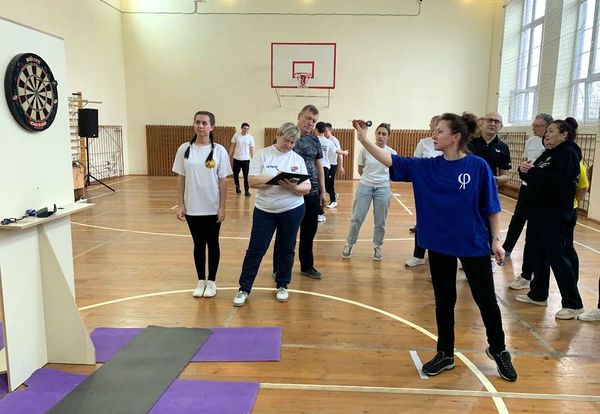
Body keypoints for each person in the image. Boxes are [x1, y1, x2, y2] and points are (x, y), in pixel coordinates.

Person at [352, 113, 517, 382]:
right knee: (444, 301)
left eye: (440, 131)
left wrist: (496, 240)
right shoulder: (427, 167)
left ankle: (498, 349)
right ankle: (445, 353)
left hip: (473, 244)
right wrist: (363, 139)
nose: (434, 135)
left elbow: (491, 206)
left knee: (487, 300)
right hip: (440, 245)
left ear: (456, 137)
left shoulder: (477, 166)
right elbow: (391, 160)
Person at [232, 123, 310, 307]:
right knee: (256, 249)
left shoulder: (297, 159)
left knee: (287, 248)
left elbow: (306, 187)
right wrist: (275, 179)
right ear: (278, 135)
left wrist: (293, 187)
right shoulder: (262, 154)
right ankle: (244, 288)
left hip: (292, 210)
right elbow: (252, 181)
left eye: (292, 142)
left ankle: (282, 284)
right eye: (286, 140)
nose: (289, 145)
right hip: (265, 211)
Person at [515, 118, 585, 320]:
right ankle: (538, 294)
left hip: (555, 213)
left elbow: (561, 182)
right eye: (547, 131)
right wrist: (524, 171)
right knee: (538, 252)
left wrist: (534, 172)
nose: (546, 134)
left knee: (557, 256)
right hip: (539, 211)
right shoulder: (548, 153)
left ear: (564, 135)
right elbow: (534, 177)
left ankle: (573, 303)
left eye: (552, 131)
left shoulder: (568, 153)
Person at [173, 111, 232, 298]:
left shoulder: (219, 150)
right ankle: (201, 281)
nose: (200, 126)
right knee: (198, 244)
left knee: (213, 243)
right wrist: (180, 204)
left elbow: (223, 181)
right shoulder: (184, 149)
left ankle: (212, 281)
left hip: (212, 207)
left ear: (212, 127)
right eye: (197, 122)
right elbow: (181, 178)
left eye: (205, 123)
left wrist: (222, 207)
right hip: (192, 207)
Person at [273, 104, 327, 280]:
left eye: (314, 121)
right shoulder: (287, 136)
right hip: (289, 193)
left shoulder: (315, 140)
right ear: (299, 116)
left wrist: (323, 191)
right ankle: (278, 268)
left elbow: (319, 165)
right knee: (285, 233)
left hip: (311, 193)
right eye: (308, 118)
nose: (310, 123)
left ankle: (307, 266)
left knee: (309, 232)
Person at [504, 114, 552, 290]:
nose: (534, 128)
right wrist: (523, 169)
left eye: (538, 125)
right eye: (534, 124)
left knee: (534, 234)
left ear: (548, 127)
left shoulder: (552, 148)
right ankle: (507, 248)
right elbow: (525, 161)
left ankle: (529, 275)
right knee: (517, 219)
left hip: (540, 193)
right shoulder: (531, 141)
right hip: (526, 188)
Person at [342, 123, 397, 261]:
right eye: (378, 133)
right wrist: (369, 180)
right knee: (357, 218)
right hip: (365, 186)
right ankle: (349, 244)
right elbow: (360, 169)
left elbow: (393, 171)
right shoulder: (365, 149)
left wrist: (381, 181)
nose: (380, 136)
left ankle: (377, 246)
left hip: (383, 189)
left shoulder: (392, 153)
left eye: (384, 134)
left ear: (388, 136)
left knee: (380, 221)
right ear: (375, 134)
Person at [405, 115, 442, 267]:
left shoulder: (447, 145)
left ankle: (440, 260)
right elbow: (416, 166)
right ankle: (418, 255)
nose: (435, 128)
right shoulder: (423, 143)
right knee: (422, 222)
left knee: (442, 224)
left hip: (444, 191)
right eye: (433, 125)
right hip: (426, 190)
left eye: (439, 126)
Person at [316, 121, 337, 222]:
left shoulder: (312, 140)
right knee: (322, 190)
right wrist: (344, 152)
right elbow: (337, 151)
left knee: (315, 190)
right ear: (325, 130)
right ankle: (319, 213)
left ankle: (315, 212)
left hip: (314, 167)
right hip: (324, 167)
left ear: (315, 129)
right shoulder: (328, 142)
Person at [324, 122, 348, 209]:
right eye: (323, 131)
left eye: (326, 131)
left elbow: (340, 153)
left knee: (329, 185)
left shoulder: (334, 140)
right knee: (324, 184)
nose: (324, 133)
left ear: (330, 130)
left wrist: (340, 166)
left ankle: (333, 201)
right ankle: (334, 194)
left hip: (332, 165)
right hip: (326, 165)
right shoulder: (323, 139)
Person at [229, 122, 255, 196]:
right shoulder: (236, 135)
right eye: (244, 128)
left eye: (247, 129)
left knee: (246, 176)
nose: (246, 130)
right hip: (236, 158)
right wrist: (229, 156)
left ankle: (246, 190)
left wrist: (253, 159)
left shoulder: (250, 137)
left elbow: (252, 149)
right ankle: (237, 187)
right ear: (241, 128)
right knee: (235, 174)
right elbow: (232, 146)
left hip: (246, 160)